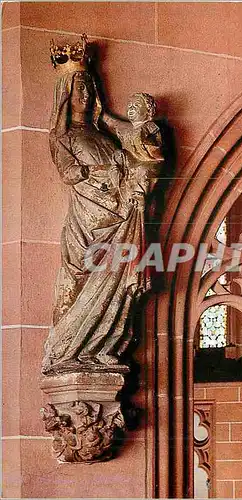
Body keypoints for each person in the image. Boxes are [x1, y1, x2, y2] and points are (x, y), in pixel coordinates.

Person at [42, 69, 164, 374]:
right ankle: (67, 348)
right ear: (66, 97)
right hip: (88, 223)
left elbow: (138, 157)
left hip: (119, 219)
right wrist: (102, 174)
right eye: (78, 90)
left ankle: (102, 345)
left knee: (117, 282)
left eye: (88, 89)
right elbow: (70, 172)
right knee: (80, 277)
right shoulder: (64, 137)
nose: (84, 96)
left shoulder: (105, 136)